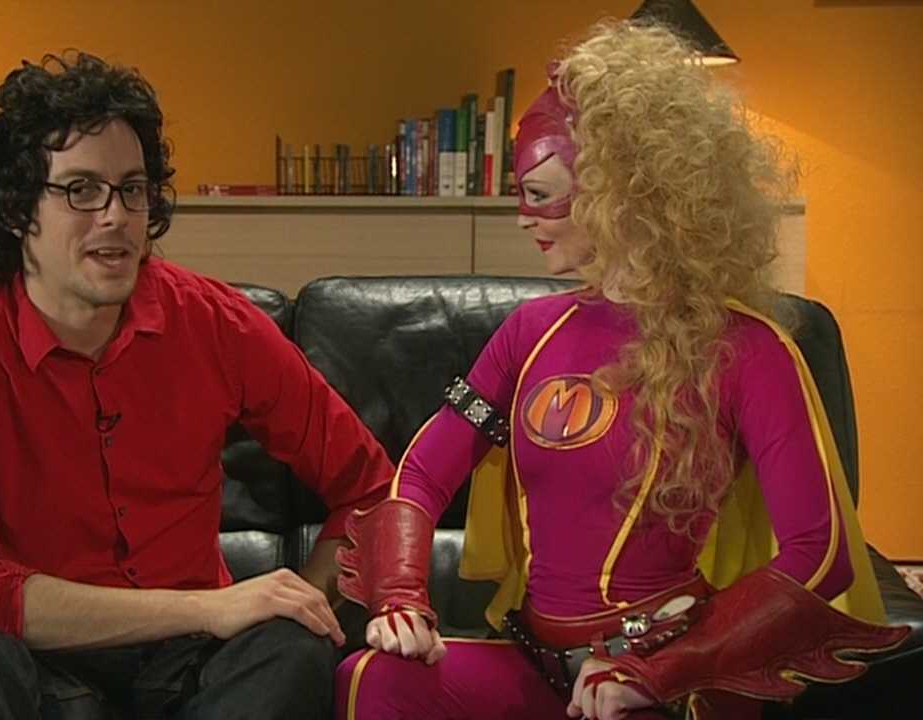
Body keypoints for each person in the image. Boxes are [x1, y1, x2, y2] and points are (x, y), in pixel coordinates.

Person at [333, 20, 907, 720]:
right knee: (371, 679)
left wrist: (657, 671)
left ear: (621, 192)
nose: (524, 217)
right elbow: (423, 471)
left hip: (676, 677)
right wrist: (399, 596)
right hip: (541, 664)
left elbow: (822, 550)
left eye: (541, 193)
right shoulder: (529, 334)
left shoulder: (748, 348)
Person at [0, 51, 395, 720]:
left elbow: (368, 486)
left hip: (194, 665)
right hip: (38, 660)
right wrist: (207, 607)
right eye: (81, 190)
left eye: (132, 188)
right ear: (15, 209)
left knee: (293, 648)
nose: (116, 216)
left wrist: (308, 600)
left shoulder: (214, 323)